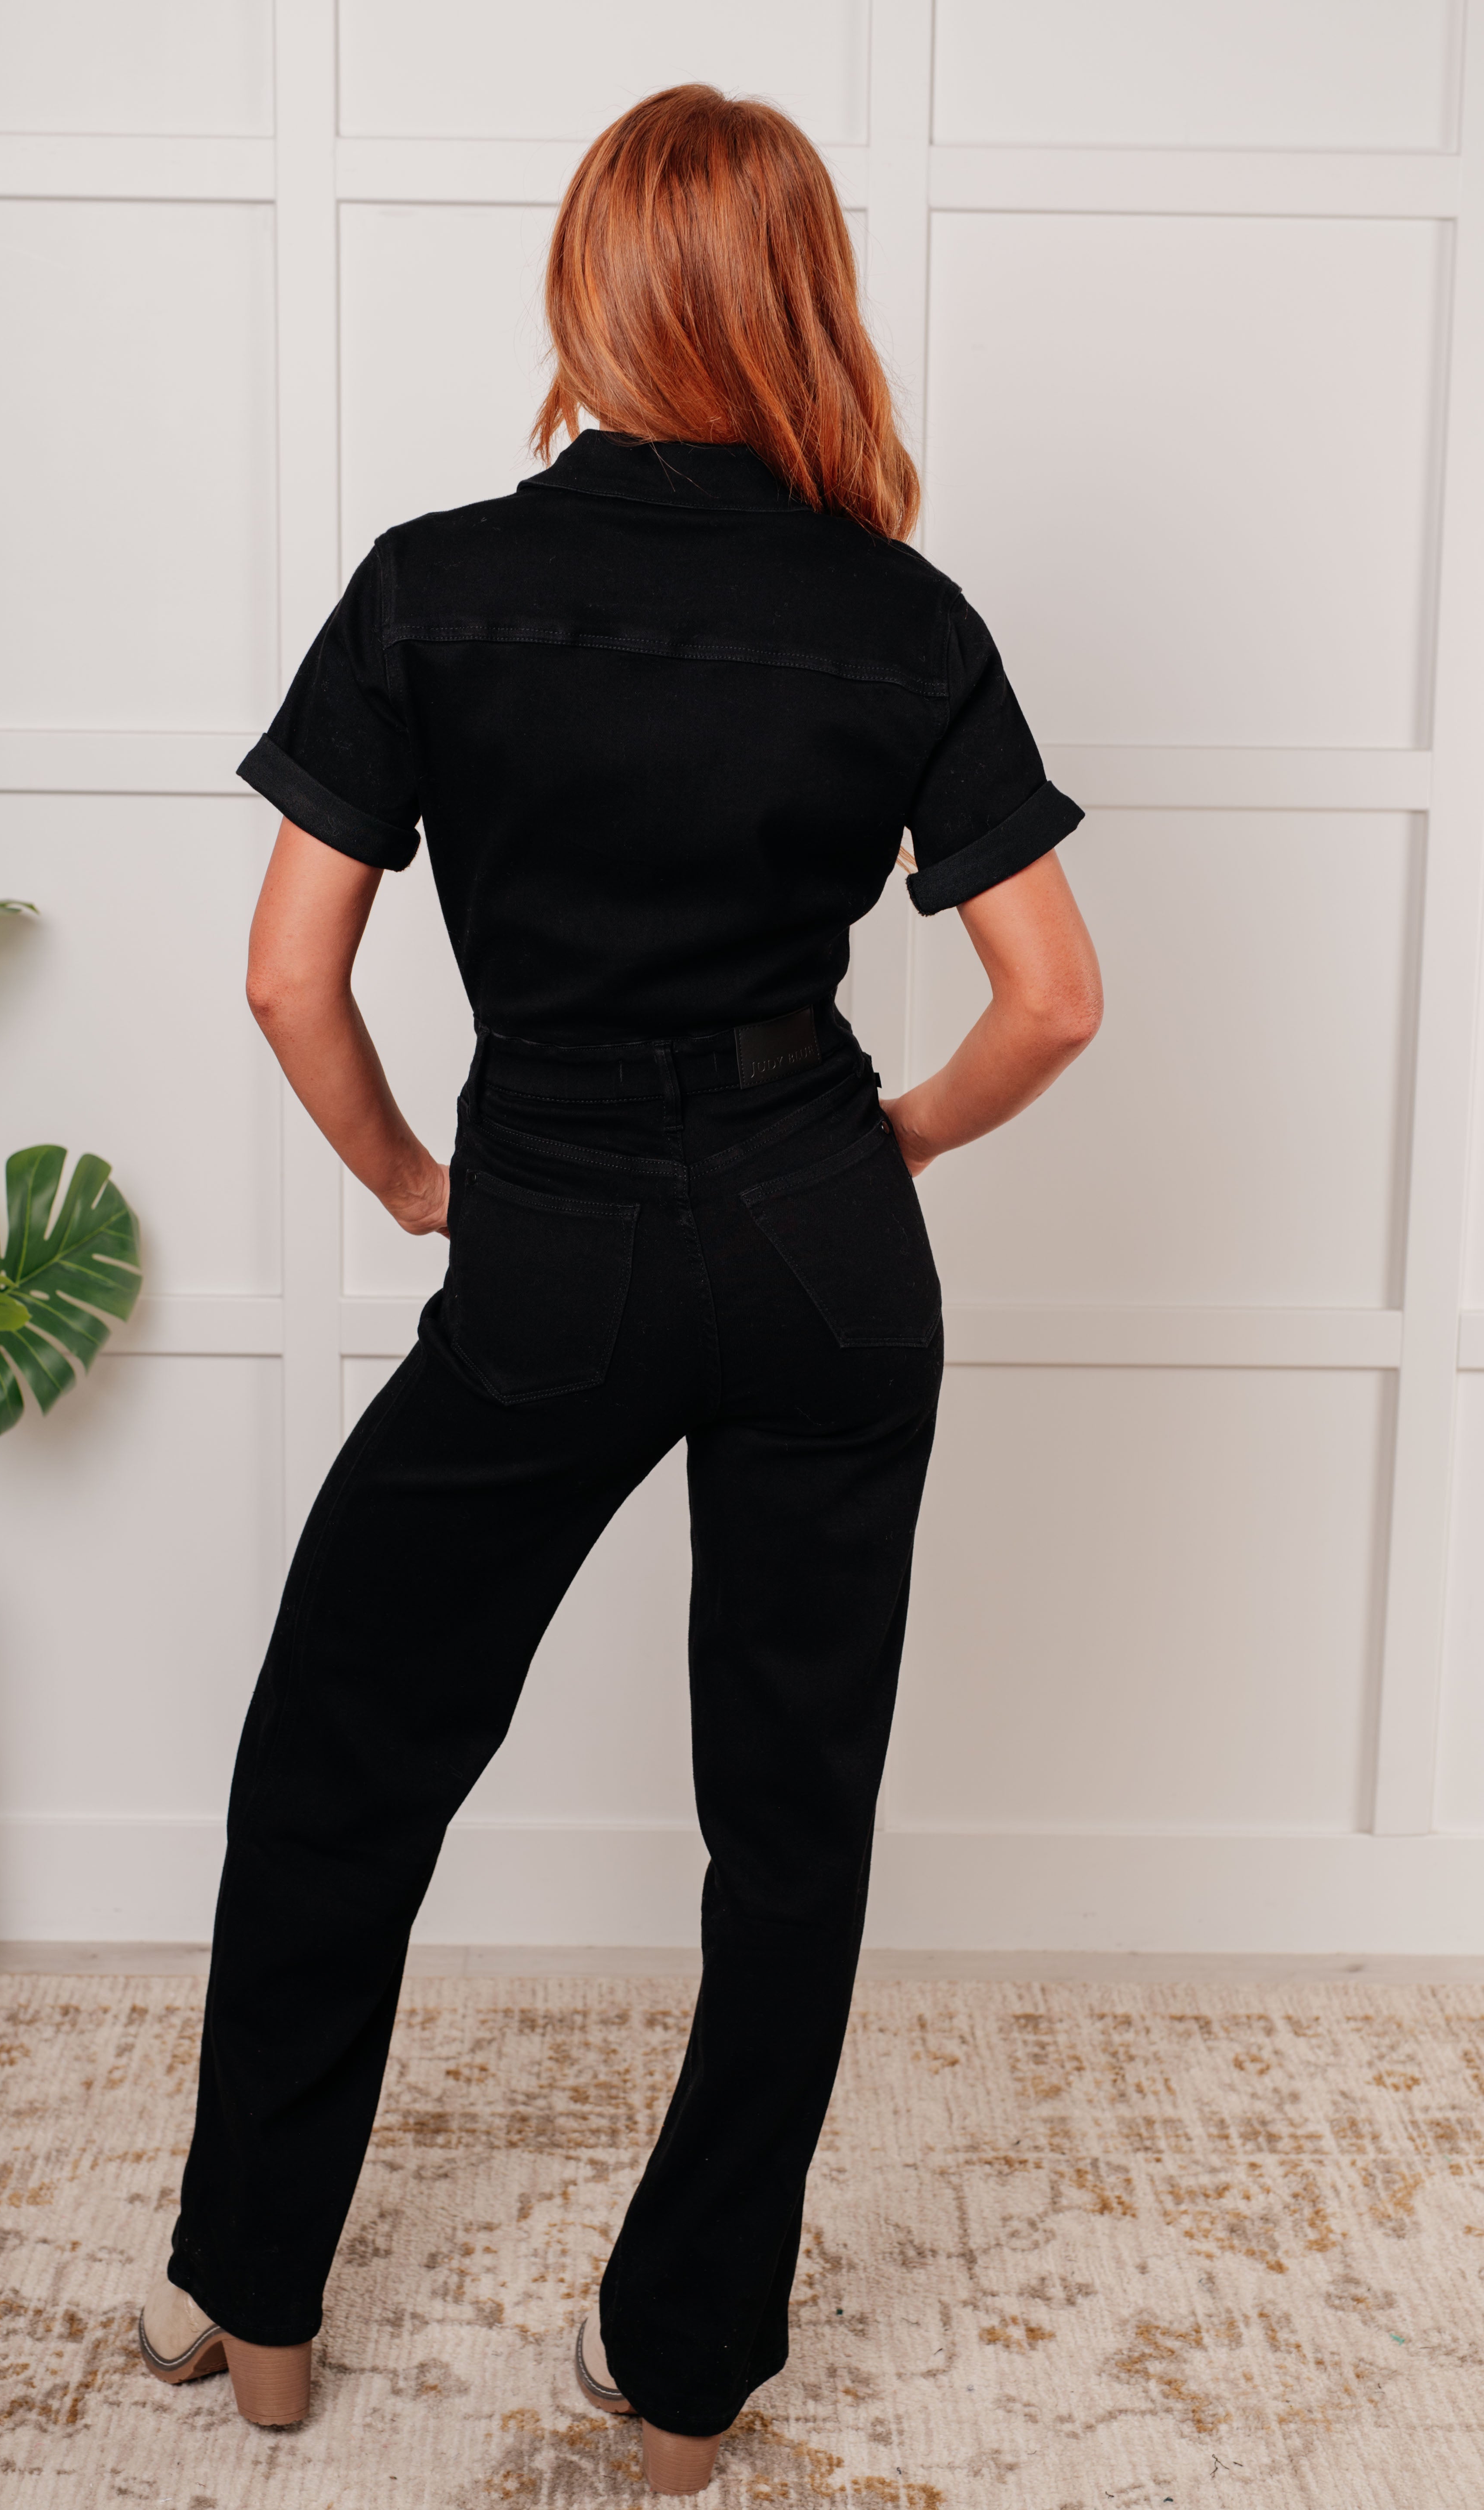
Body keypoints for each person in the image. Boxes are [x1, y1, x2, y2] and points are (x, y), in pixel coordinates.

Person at [137, 82, 1101, 2498]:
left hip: (551, 1232)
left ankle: (257, 2294)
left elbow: (285, 976)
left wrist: (411, 1184)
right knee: (789, 1823)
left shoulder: (433, 585)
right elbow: (1056, 999)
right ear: (802, 298)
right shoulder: (902, 615)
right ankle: (687, 2378)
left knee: (344, 1753)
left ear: (592, 285)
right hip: (818, 1240)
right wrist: (884, 1144)